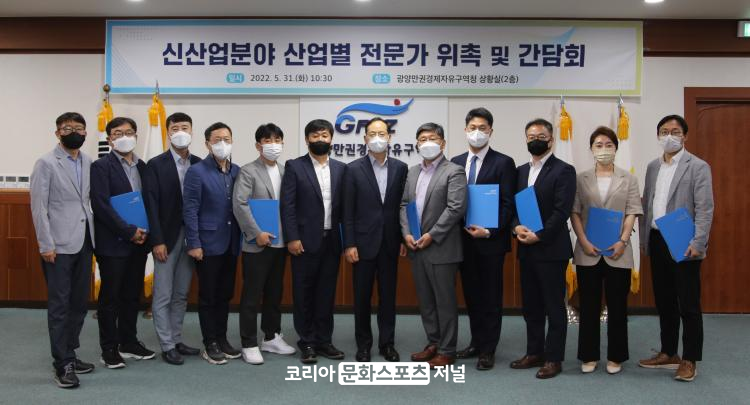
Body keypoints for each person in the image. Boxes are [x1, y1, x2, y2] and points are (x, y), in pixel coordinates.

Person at [638, 114, 714, 382]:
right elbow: (648, 203)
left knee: (688, 303)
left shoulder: (698, 166)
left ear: (685, 136)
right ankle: (669, 352)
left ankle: (690, 359)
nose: (669, 136)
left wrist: (698, 242)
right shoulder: (652, 167)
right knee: (665, 300)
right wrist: (644, 240)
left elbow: (705, 208)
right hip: (658, 239)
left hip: (684, 241)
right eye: (663, 131)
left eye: (674, 131)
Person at [30, 112, 96, 388]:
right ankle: (62, 364)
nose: (74, 132)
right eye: (68, 128)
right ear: (58, 133)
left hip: (84, 242)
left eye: (79, 128)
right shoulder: (46, 163)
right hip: (57, 246)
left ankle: (70, 352)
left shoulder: (88, 161)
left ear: (85, 132)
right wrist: (46, 244)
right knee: (60, 306)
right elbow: (39, 207)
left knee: (79, 304)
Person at [570, 126, 642, 375]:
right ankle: (588, 355)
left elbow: (632, 211)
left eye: (608, 145)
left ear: (616, 148)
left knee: (618, 306)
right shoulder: (580, 178)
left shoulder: (629, 178)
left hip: (618, 251)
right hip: (587, 250)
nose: (604, 149)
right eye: (598, 145)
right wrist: (582, 240)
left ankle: (616, 356)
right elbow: (574, 212)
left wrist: (623, 240)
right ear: (591, 149)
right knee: (588, 306)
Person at [450, 108, 517, 370]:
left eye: (483, 128)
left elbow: (508, 204)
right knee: (471, 295)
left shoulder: (504, 162)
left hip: (491, 242)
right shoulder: (455, 161)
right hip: (463, 241)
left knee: (490, 297)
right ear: (465, 130)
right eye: (473, 128)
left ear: (491, 131)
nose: (477, 132)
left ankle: (488, 349)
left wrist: (489, 230)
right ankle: (476, 342)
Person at [509, 118, 576, 379]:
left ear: (551, 140)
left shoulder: (564, 170)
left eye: (540, 136)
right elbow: (513, 207)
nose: (535, 140)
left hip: (551, 249)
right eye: (530, 136)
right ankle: (534, 352)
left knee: (554, 307)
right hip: (526, 248)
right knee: (531, 306)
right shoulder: (520, 171)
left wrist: (539, 235)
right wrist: (516, 228)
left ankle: (553, 358)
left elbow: (561, 211)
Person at [91, 116, 156, 369]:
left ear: (136, 136)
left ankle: (128, 342)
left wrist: (144, 233)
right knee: (110, 299)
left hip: (140, 242)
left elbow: (149, 201)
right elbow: (101, 205)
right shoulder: (101, 167)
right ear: (109, 140)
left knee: (131, 296)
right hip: (114, 243)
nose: (124, 137)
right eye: (117, 133)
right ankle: (109, 348)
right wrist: (129, 231)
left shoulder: (143, 166)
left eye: (129, 132)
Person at [401, 122, 467, 369]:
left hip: (442, 247)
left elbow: (455, 208)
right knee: (426, 300)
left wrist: (432, 234)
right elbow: (403, 205)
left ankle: (447, 350)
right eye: (422, 139)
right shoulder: (412, 172)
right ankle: (433, 342)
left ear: (443, 143)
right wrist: (406, 234)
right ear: (417, 145)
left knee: (444, 301)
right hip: (416, 247)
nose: (427, 143)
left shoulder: (454, 171)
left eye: (432, 138)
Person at [280, 119, 347, 364]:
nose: (321, 139)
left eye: (325, 135)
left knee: (326, 294)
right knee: (304, 294)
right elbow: (287, 205)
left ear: (331, 139)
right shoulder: (295, 166)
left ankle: (324, 341)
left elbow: (345, 208)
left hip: (332, 242)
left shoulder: (341, 168)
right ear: (307, 139)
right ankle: (306, 342)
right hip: (304, 242)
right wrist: (292, 237)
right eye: (315, 135)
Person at [342, 117, 408, 363]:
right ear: (365, 138)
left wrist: (403, 238)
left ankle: (387, 344)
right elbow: (347, 211)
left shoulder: (401, 168)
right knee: (361, 298)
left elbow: (403, 206)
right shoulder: (352, 169)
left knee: (388, 297)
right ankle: (364, 345)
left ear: (389, 137)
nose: (377, 138)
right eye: (372, 134)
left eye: (382, 133)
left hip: (390, 242)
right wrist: (349, 243)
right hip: (361, 244)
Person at [232, 123, 296, 365]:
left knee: (274, 293)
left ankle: (271, 336)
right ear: (258, 145)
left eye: (277, 140)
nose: (273, 145)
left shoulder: (286, 171)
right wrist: (255, 233)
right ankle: (249, 343)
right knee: (252, 294)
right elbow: (240, 204)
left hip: (281, 243)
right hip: (257, 244)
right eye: (267, 141)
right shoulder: (248, 171)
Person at [143, 112, 202, 365]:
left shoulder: (199, 163)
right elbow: (151, 205)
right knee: (163, 294)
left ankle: (176, 339)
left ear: (192, 131)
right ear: (167, 132)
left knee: (181, 293)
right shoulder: (155, 164)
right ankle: (166, 345)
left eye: (185, 127)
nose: (180, 132)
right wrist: (156, 240)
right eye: (175, 128)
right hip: (166, 238)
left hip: (192, 237)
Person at [183, 122, 242, 365]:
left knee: (225, 294)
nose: (222, 144)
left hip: (231, 243)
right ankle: (210, 343)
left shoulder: (236, 170)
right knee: (208, 296)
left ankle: (222, 338)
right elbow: (190, 209)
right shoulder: (197, 171)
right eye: (217, 140)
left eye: (226, 139)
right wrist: (194, 243)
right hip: (206, 244)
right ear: (207, 144)